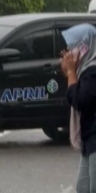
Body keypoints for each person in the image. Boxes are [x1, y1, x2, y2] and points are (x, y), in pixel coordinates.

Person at [61, 23, 96, 193]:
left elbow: (79, 100)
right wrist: (69, 70)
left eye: (72, 47)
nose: (69, 52)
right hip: (89, 139)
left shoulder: (92, 72)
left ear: (84, 47)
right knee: (83, 187)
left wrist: (71, 72)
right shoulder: (86, 70)